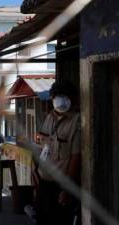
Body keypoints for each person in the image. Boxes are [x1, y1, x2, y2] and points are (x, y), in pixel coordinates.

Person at [36, 82, 81, 225]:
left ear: (71, 98)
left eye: (64, 96)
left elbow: (75, 157)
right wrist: (35, 174)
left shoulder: (76, 121)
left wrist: (66, 190)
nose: (59, 99)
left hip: (60, 187)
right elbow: (42, 146)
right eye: (56, 96)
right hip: (43, 182)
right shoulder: (49, 117)